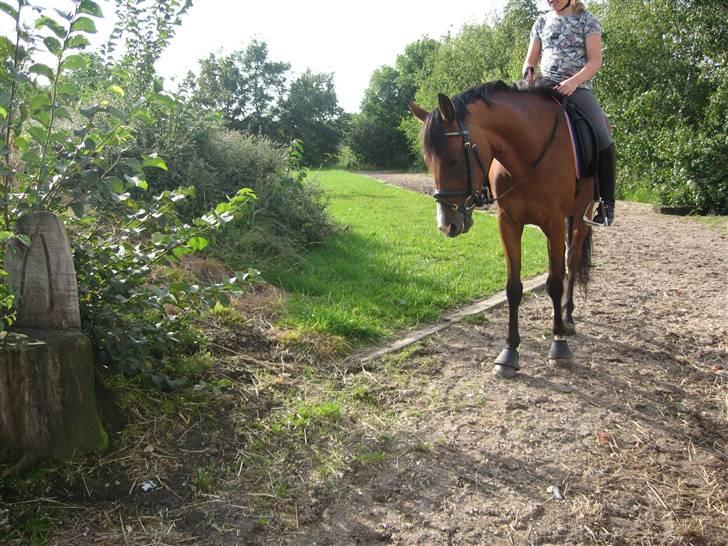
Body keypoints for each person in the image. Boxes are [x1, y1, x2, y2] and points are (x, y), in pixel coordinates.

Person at [523, 0, 615, 226]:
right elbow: (531, 59)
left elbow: (595, 62)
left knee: (603, 135)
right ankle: (487, 187)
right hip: (544, 86)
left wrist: (573, 82)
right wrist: (528, 71)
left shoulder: (587, 21)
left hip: (578, 89)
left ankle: (606, 204)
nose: (549, 0)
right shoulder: (541, 21)